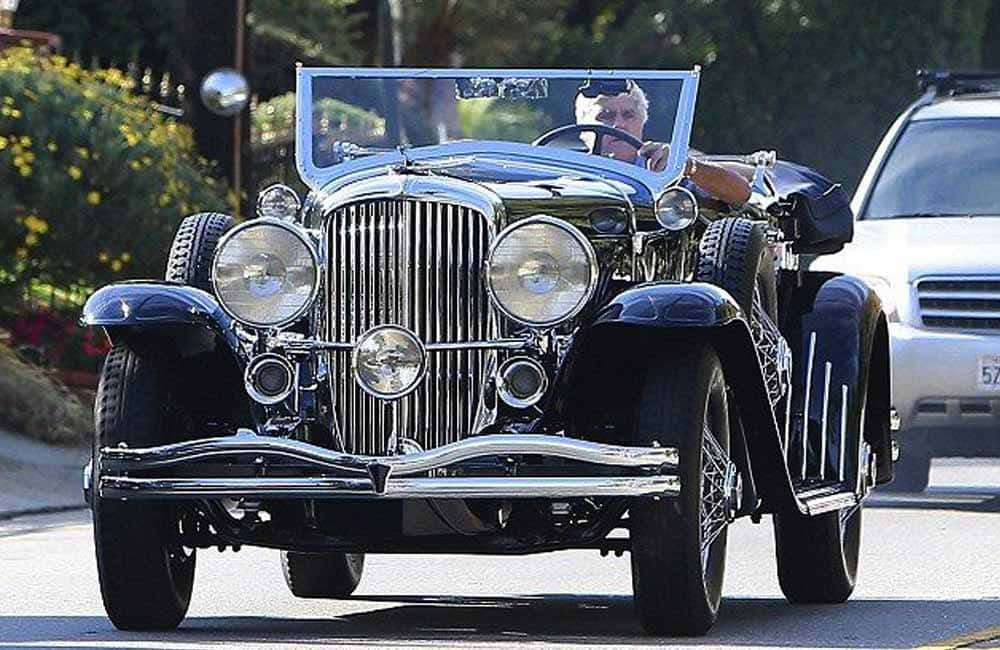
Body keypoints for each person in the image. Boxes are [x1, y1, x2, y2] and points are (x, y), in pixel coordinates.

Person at [575, 79, 751, 206]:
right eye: (606, 116)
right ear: (582, 126)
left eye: (629, 115)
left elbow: (740, 193)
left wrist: (686, 166)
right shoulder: (563, 170)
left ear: (642, 122)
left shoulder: (664, 165)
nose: (619, 124)